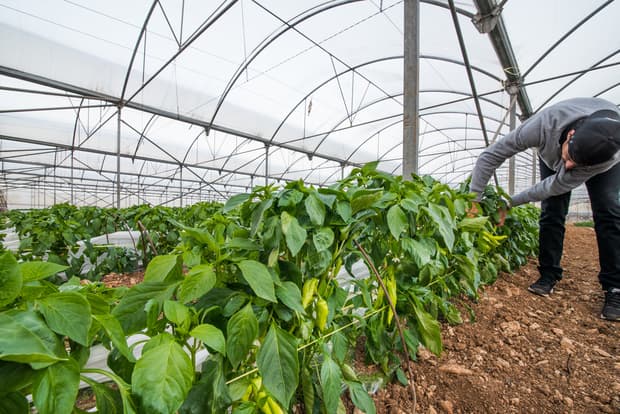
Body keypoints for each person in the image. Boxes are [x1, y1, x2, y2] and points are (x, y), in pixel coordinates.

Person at [469, 97, 620, 321]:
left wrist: (510, 203)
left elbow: (551, 186)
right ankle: (548, 274)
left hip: (603, 158)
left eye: (575, 165)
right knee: (552, 211)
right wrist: (474, 200)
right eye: (570, 157)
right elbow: (491, 155)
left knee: (608, 210)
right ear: (570, 136)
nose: (567, 167)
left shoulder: (606, 157)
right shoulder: (542, 125)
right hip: (554, 141)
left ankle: (614, 288)